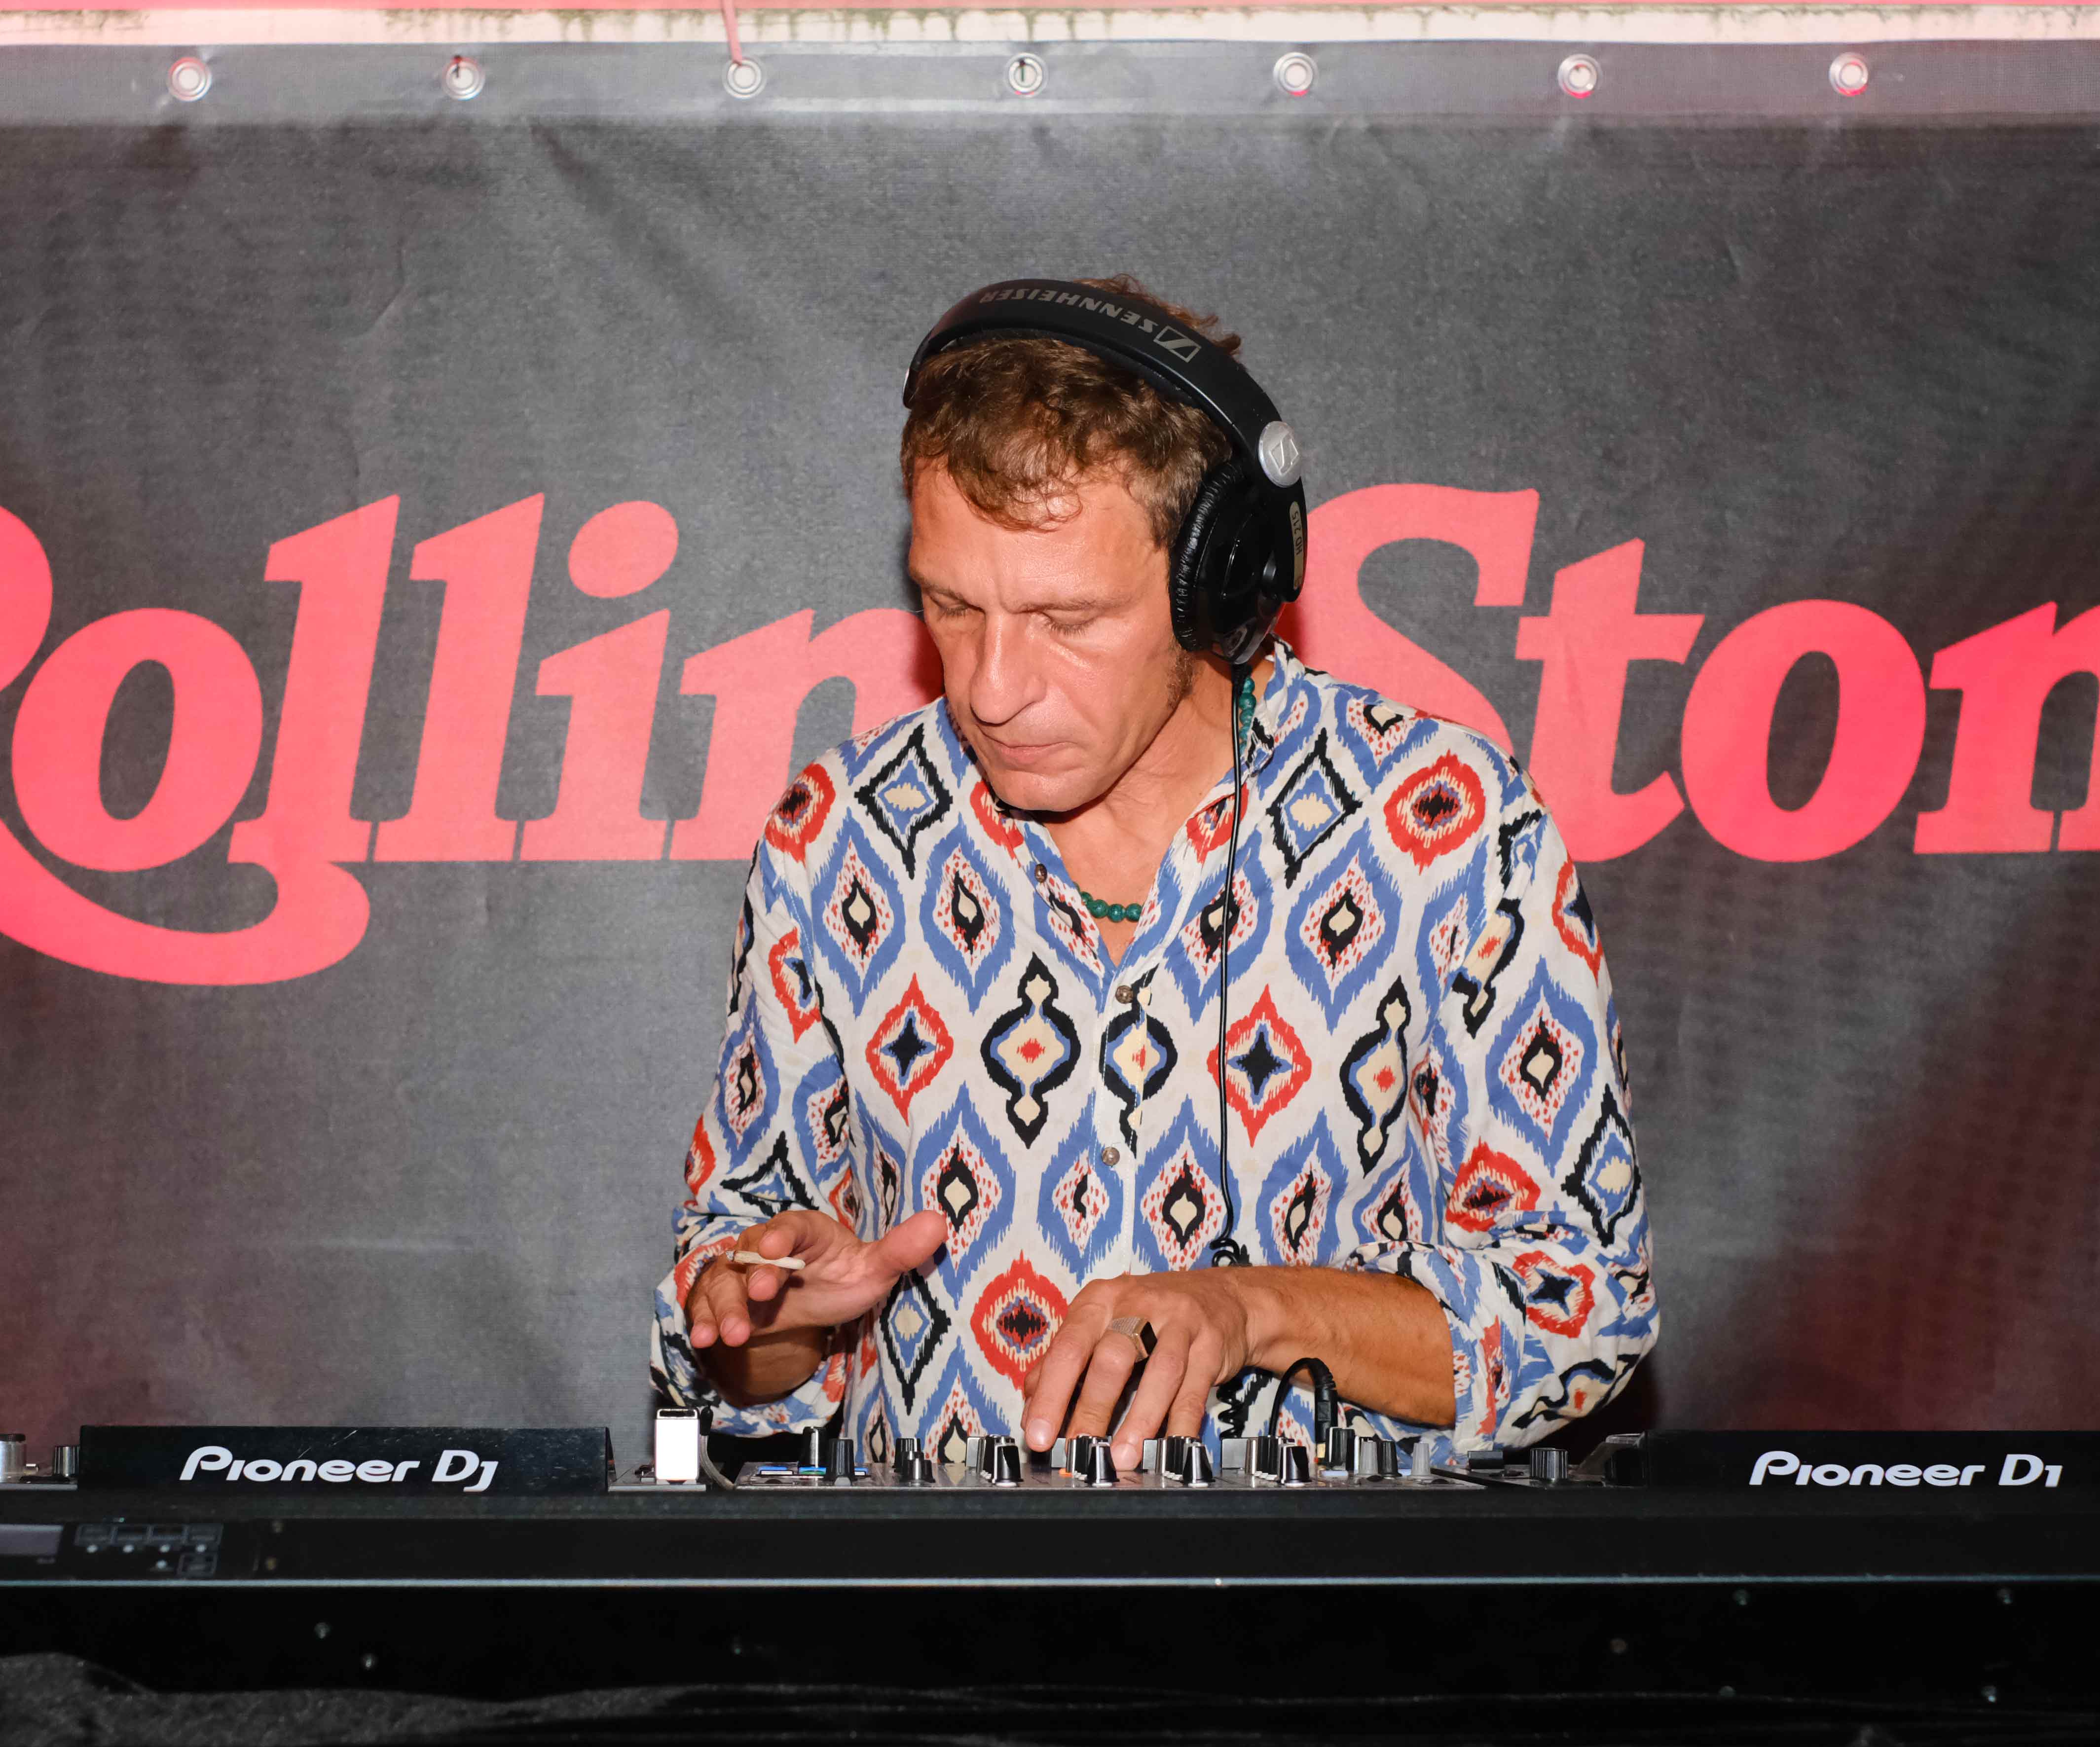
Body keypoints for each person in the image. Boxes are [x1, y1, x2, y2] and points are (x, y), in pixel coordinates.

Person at [650, 276, 1654, 1476]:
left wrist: (1253, 1311)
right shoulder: (840, 835)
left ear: (1214, 587)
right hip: (930, 1601)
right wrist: (765, 1326)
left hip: (1312, 1599)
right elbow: (741, 1336)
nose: (991, 686)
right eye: (951, 606)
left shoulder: (1445, 826)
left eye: (1068, 619)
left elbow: (1577, 1308)